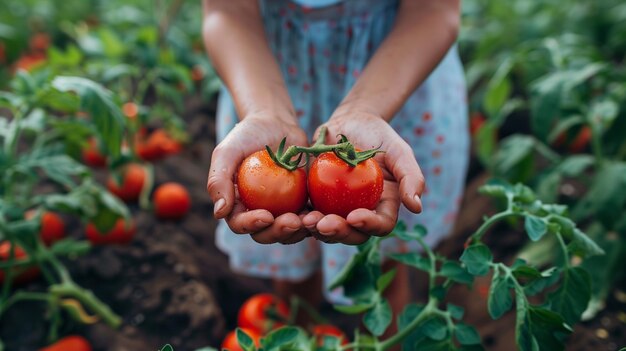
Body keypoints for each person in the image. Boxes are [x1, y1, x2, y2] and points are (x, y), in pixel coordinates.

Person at [203, 0, 469, 321]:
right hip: (268, 77)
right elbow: (227, 11)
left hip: (393, 79)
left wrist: (365, 111)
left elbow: (433, 11)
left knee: (382, 273)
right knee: (292, 273)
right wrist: (264, 112)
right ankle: (303, 335)